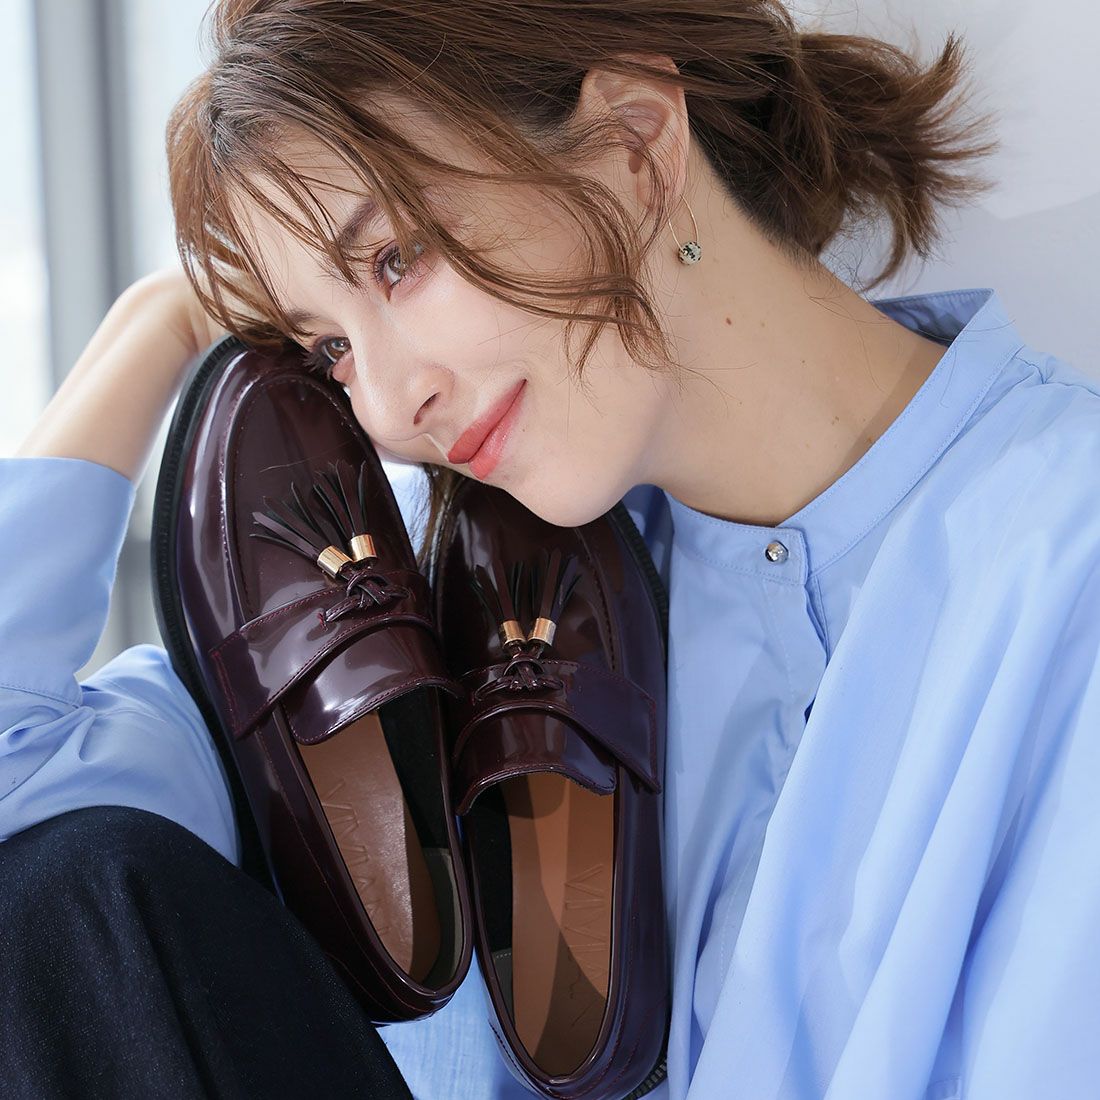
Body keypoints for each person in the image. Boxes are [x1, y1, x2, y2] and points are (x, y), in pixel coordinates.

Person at [4, 1, 1100, 1097]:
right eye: (329, 348)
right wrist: (161, 323)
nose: (386, 403)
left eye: (397, 258)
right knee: (64, 881)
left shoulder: (1060, 558)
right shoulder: (433, 614)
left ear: (635, 143)